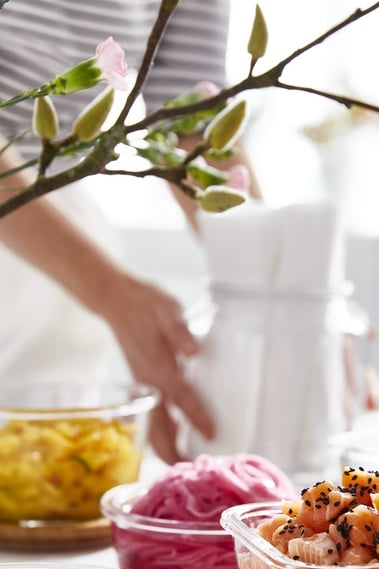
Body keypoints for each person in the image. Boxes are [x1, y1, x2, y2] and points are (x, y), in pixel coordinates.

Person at [0, 0, 239, 463]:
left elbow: (193, 120)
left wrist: (291, 301)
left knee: (40, 471)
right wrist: (111, 292)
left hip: (51, 214)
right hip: (32, 216)